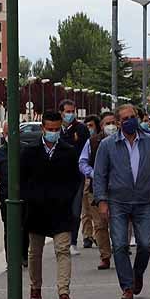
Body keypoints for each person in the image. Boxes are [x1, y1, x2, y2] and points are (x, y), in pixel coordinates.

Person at [93, 104, 150, 299]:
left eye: (132, 117)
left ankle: (137, 274)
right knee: (119, 245)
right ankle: (127, 286)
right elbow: (99, 175)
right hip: (118, 201)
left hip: (144, 200)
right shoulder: (107, 145)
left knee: (145, 243)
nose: (130, 121)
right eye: (125, 118)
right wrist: (101, 200)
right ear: (118, 122)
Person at [21, 111, 83, 299]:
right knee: (35, 252)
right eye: (50, 129)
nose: (53, 133)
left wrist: (67, 198)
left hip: (61, 209)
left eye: (57, 129)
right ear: (43, 128)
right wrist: (30, 196)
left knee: (62, 250)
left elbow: (75, 179)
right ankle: (35, 287)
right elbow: (22, 179)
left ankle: (63, 291)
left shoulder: (68, 151)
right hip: (36, 209)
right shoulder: (30, 152)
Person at [78, 111, 115, 269]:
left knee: (119, 222)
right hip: (97, 188)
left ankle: (120, 250)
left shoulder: (125, 140)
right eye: (107, 124)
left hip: (119, 189)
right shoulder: (92, 142)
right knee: (100, 224)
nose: (111, 126)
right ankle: (105, 255)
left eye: (113, 122)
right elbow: (82, 162)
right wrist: (95, 174)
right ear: (101, 126)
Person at [0, 121, 29, 265]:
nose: (9, 136)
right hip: (6, 198)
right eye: (6, 133)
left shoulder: (26, 150)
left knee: (24, 228)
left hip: (25, 197)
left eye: (12, 133)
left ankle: (24, 255)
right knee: (9, 229)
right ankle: (11, 259)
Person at [59, 98, 90, 256]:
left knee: (75, 210)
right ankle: (61, 240)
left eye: (72, 112)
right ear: (61, 113)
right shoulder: (56, 129)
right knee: (60, 209)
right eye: (67, 112)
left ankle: (72, 242)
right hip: (59, 176)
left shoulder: (81, 129)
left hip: (77, 176)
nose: (70, 114)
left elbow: (84, 151)